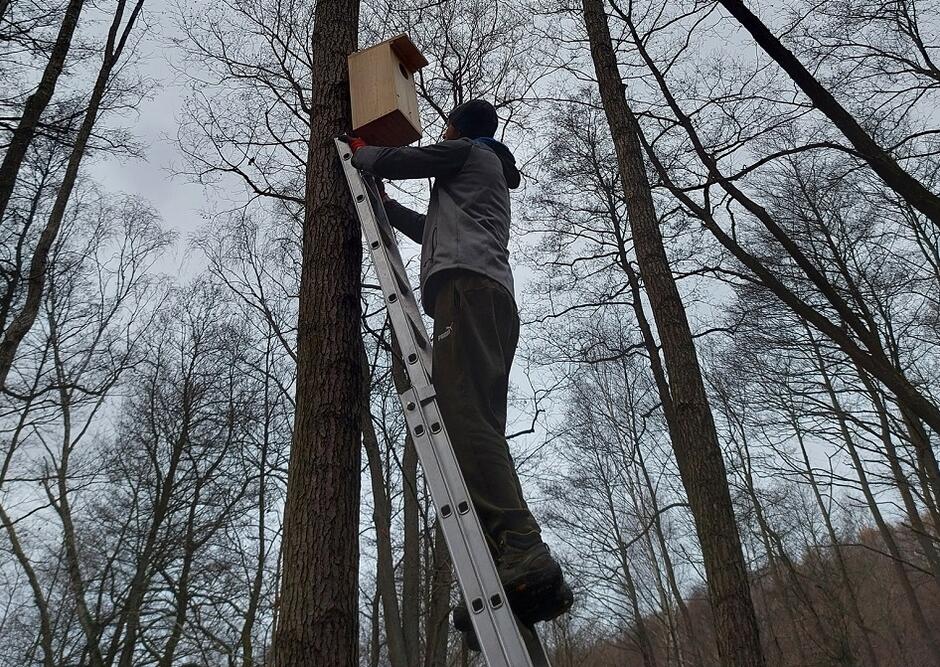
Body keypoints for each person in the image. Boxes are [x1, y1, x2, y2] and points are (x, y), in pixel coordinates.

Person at [348, 100, 572, 636]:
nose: (441, 132)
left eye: (445, 126)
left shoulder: (467, 152)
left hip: (468, 292)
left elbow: (397, 160)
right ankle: (510, 569)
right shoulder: (482, 172)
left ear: (457, 129)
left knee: (461, 416)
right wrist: (385, 206)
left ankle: (523, 550)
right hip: (486, 294)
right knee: (480, 427)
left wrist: (362, 153)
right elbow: (431, 229)